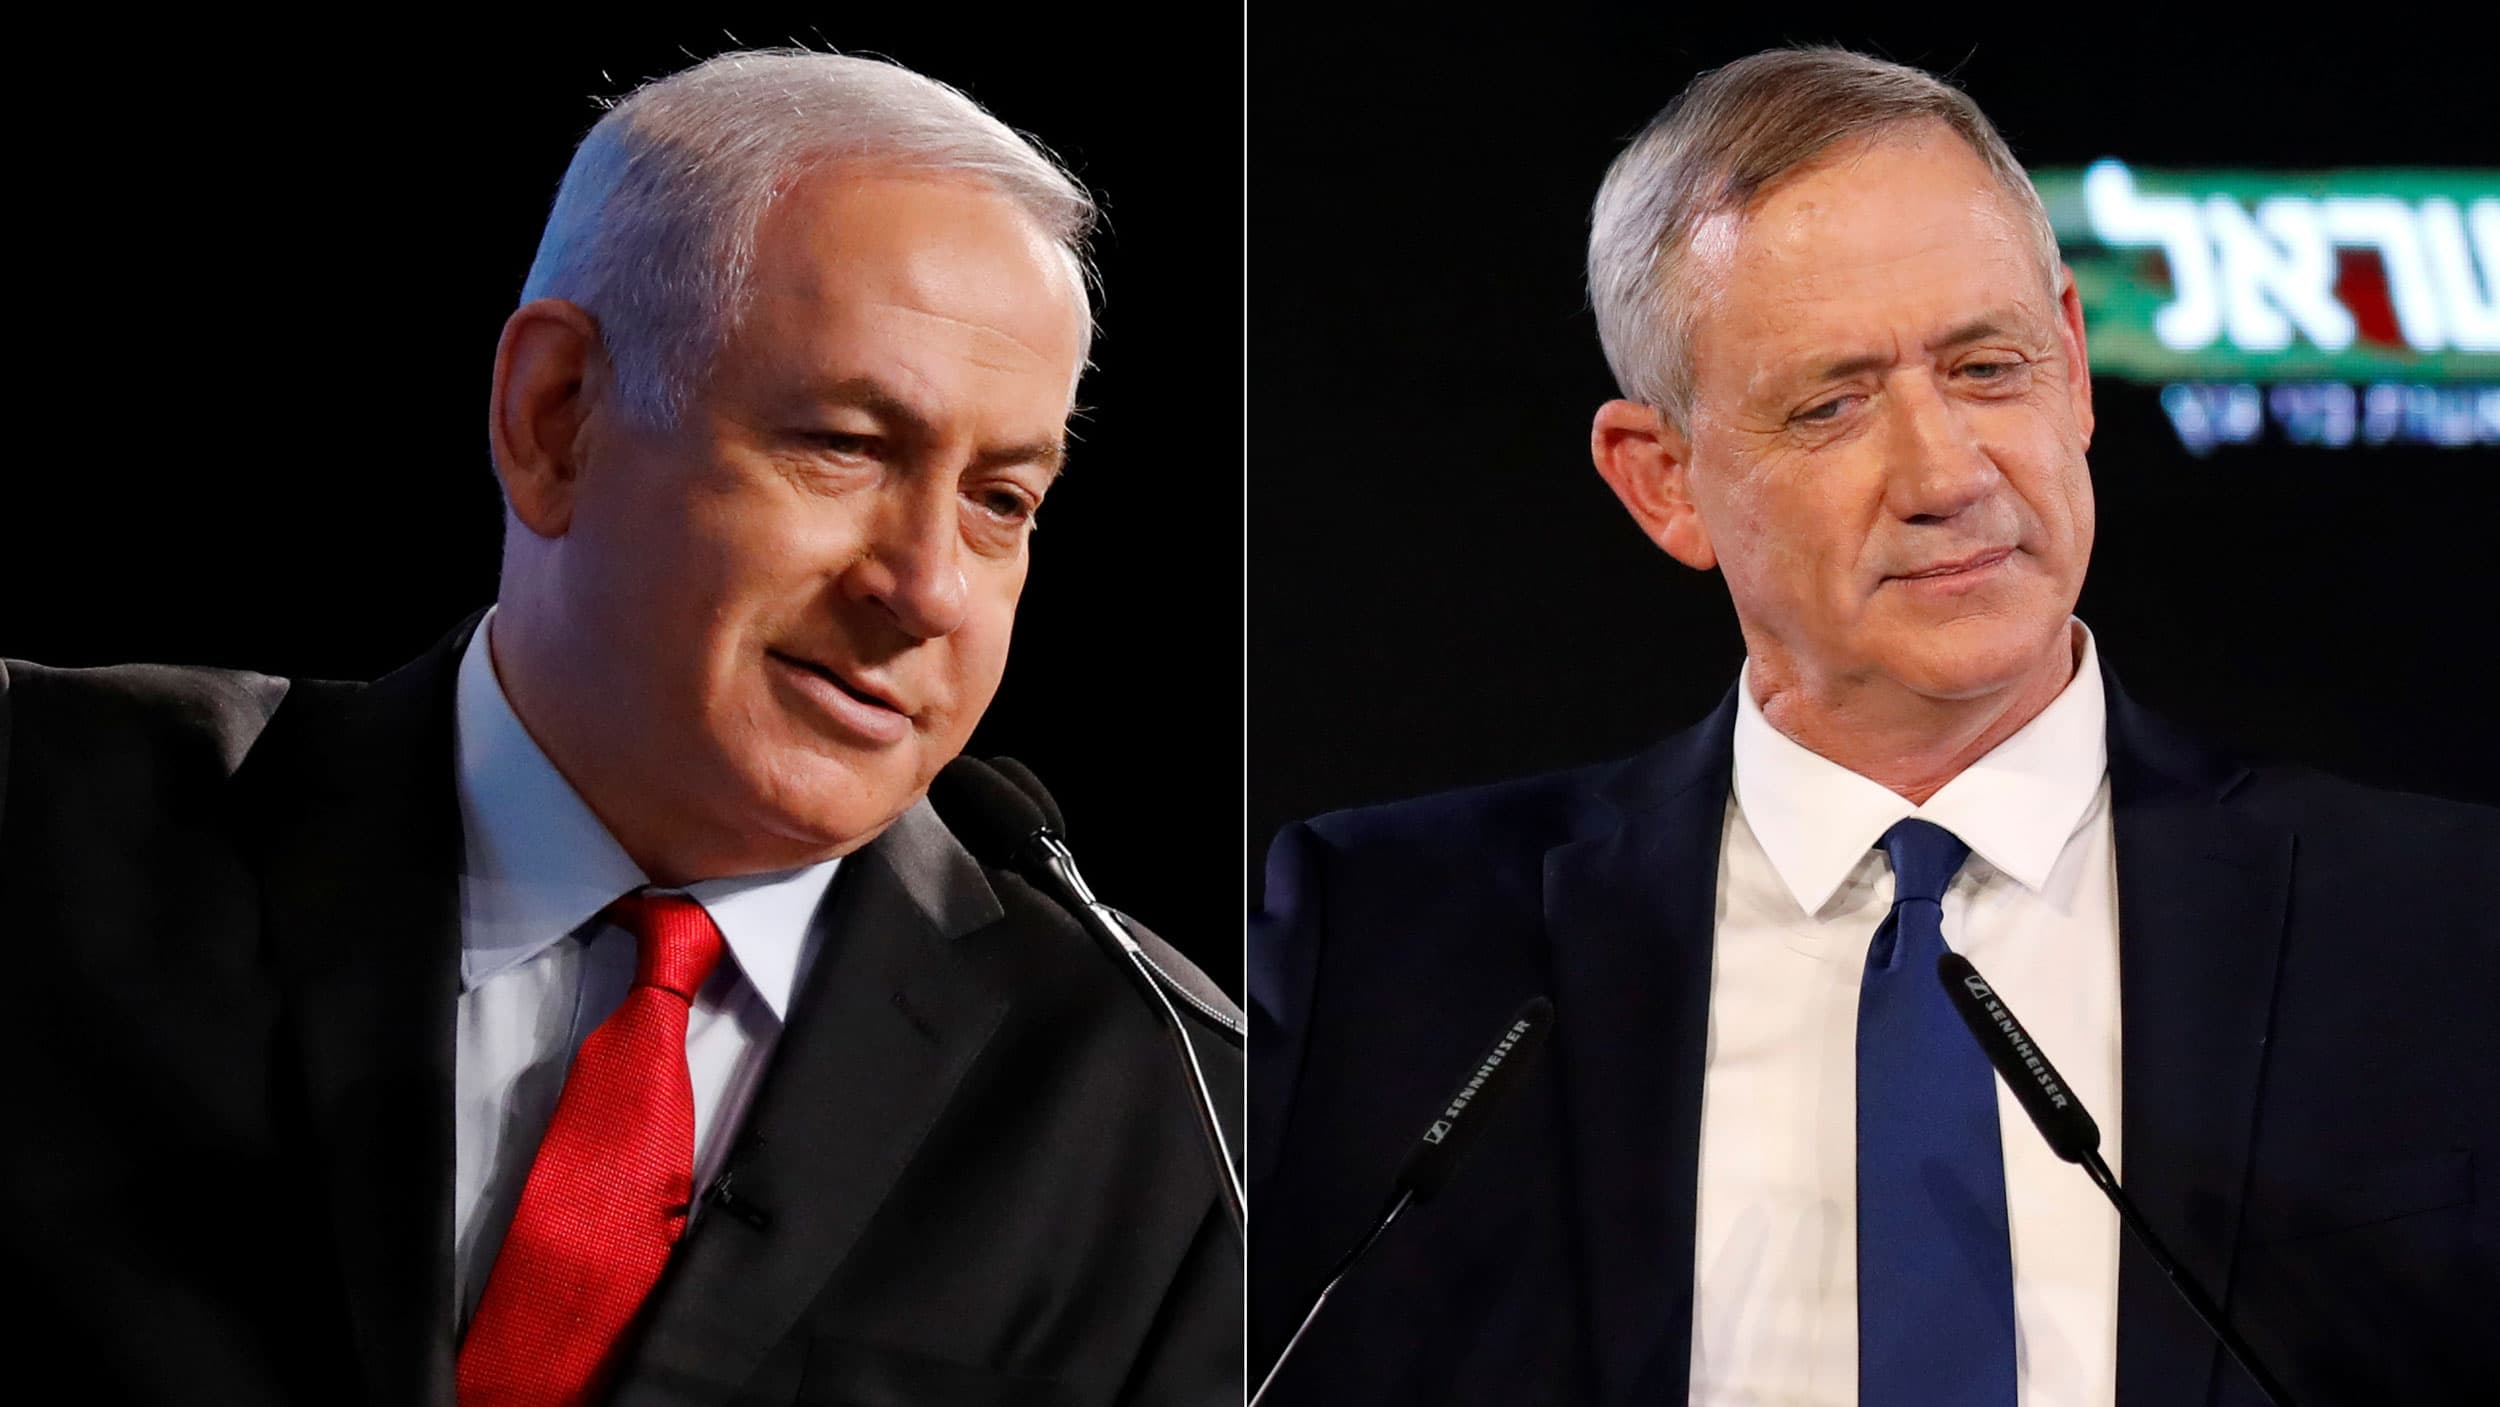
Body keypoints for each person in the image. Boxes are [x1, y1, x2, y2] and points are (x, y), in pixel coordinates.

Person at [1248, 46, 2494, 1407]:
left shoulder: (2447, 925)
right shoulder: (1372, 947)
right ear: (1662, 481)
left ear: (2074, 366)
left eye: (1987, 366)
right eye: (1832, 404)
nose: (1947, 474)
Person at [7, 49, 1241, 1406]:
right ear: (555, 420)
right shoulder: (44, 816)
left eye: (1001, 501)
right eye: (844, 444)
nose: (927, 587)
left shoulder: (1170, 1110)